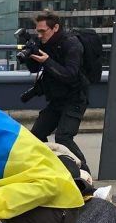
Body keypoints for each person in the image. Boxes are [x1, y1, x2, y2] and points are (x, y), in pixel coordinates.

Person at [25, 10, 90, 170]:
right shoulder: (43, 43)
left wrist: (47, 61)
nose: (40, 35)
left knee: (63, 137)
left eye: (42, 31)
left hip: (75, 98)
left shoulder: (71, 44)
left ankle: (83, 172)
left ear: (55, 28)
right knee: (36, 136)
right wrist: (29, 55)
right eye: (37, 31)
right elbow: (34, 68)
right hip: (56, 100)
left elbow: (70, 75)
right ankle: (52, 167)